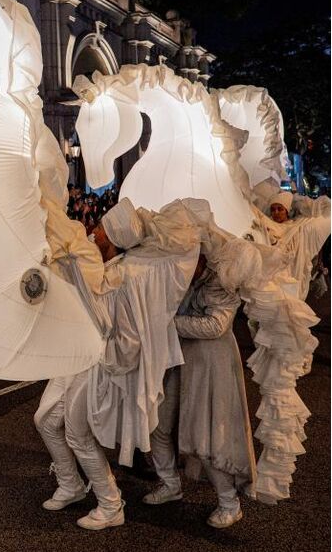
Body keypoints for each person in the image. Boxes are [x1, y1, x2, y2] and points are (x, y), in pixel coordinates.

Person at [36, 198, 198, 530]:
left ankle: (111, 504)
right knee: (46, 421)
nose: (93, 239)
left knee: (78, 433)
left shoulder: (126, 277)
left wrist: (102, 353)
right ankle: (70, 484)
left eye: (100, 235)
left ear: (115, 239)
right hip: (74, 357)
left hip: (94, 364)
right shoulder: (109, 269)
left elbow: (128, 340)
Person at [145, 254, 255, 529]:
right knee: (157, 423)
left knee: (207, 435)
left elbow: (217, 325)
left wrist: (171, 324)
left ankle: (229, 503)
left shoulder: (222, 282)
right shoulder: (180, 278)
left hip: (210, 366)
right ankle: (170, 484)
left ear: (202, 257)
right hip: (179, 361)